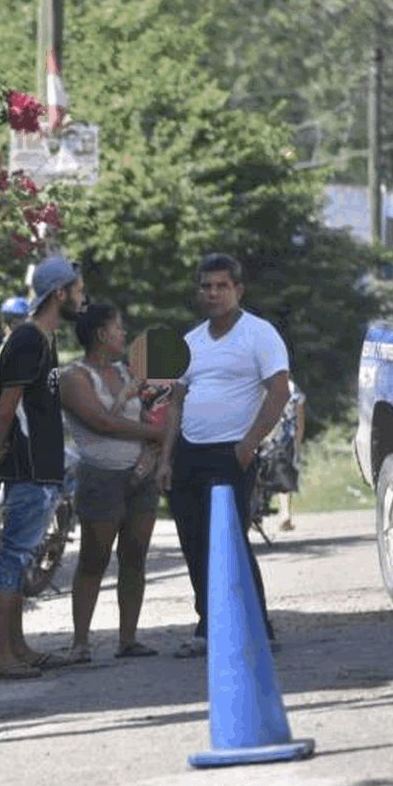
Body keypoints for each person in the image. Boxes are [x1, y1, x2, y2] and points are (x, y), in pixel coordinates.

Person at [157, 253, 291, 659]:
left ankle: (258, 628)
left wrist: (250, 443)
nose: (213, 293)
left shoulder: (259, 334)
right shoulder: (191, 341)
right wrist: (165, 459)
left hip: (232, 453)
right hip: (189, 452)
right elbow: (175, 403)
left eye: (221, 286)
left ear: (238, 290)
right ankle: (208, 627)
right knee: (194, 543)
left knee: (229, 541)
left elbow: (279, 392)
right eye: (206, 286)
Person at [0, 254, 84, 680]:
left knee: (21, 559)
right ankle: (4, 657)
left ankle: (19, 649)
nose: (82, 297)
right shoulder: (26, 340)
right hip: (26, 469)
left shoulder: (46, 339)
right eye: (78, 290)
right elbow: (6, 410)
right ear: (59, 293)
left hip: (43, 469)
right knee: (12, 559)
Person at [58, 304, 166, 663]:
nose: (124, 334)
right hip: (101, 476)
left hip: (140, 476)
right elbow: (101, 423)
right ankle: (80, 643)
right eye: (118, 328)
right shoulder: (73, 377)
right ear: (102, 334)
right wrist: (156, 433)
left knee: (135, 557)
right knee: (94, 558)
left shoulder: (126, 373)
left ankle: (128, 639)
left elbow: (152, 411)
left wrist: (154, 440)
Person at [271, 377, 307, 532]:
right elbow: (300, 422)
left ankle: (250, 514)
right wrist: (297, 443)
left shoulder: (263, 385)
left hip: (266, 437)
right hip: (286, 440)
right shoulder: (294, 389)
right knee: (285, 475)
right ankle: (285, 514)